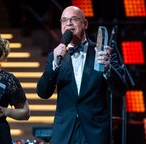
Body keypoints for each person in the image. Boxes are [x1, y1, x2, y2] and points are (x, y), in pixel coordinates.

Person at [36, 6, 127, 144]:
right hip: (65, 132)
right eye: (64, 20)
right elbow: (43, 92)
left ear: (85, 24)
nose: (69, 23)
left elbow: (121, 89)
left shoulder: (102, 52)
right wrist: (54, 65)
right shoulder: (55, 56)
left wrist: (108, 69)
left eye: (74, 19)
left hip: (95, 132)